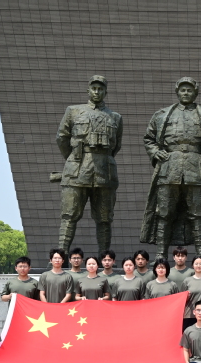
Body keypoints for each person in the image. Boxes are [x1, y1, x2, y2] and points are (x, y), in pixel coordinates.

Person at [140, 76, 201, 261]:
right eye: (183, 90)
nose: (186, 93)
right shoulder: (161, 115)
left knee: (198, 213)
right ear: (177, 92)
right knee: (164, 212)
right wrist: (155, 152)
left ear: (196, 93)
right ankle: (161, 255)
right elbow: (149, 138)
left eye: (189, 90)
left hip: (197, 169)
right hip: (169, 168)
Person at [55, 75, 122, 257]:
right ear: (88, 91)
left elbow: (116, 146)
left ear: (105, 92)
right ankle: (60, 257)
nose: (97, 92)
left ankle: (105, 259)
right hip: (76, 170)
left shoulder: (115, 117)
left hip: (104, 172)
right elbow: (61, 138)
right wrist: (73, 159)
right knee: (69, 215)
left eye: (100, 89)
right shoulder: (73, 111)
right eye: (94, 88)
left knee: (104, 218)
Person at [37, 248, 74, 363]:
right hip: (46, 314)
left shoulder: (67, 276)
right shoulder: (44, 275)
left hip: (62, 313)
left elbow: (68, 294)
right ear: (50, 260)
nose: (57, 260)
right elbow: (41, 293)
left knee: (61, 341)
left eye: (59, 258)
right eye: (55, 258)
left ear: (63, 260)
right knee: (45, 342)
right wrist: (48, 306)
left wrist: (59, 307)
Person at [1, 256, 39, 363]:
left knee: (25, 343)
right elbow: (3, 297)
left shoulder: (34, 283)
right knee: (14, 343)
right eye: (20, 266)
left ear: (29, 268)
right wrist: (10, 296)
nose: (23, 268)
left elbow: (38, 301)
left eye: (25, 266)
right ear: (16, 268)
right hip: (14, 317)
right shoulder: (11, 282)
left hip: (29, 319)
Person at [75, 256, 111, 363]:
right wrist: (81, 298)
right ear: (86, 266)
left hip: (98, 316)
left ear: (97, 266)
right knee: (85, 343)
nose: (91, 266)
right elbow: (76, 296)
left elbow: (108, 296)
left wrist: (102, 299)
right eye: (89, 264)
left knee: (96, 343)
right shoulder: (80, 280)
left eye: (93, 263)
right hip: (84, 317)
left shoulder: (103, 280)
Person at [144, 258, 179, 363]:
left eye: (163, 267)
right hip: (154, 319)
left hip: (168, 319)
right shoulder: (150, 284)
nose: (160, 269)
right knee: (155, 344)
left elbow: (176, 301)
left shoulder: (172, 285)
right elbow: (147, 302)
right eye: (158, 267)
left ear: (167, 269)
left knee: (166, 344)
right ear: (155, 269)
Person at [112, 256, 146, 363]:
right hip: (121, 317)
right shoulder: (118, 281)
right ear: (123, 267)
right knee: (122, 343)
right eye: (126, 265)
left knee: (133, 342)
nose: (128, 267)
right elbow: (114, 298)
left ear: (134, 266)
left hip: (135, 317)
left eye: (130, 265)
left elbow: (143, 299)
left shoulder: (139, 281)